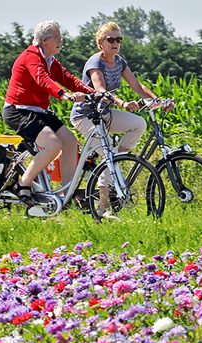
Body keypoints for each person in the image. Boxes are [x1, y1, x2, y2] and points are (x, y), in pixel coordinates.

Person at [70, 21, 165, 219]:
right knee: (108, 156)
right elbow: (100, 88)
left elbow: (137, 86)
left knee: (139, 124)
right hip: (86, 116)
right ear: (100, 43)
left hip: (104, 114)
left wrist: (158, 101)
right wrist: (122, 103)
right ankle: (103, 208)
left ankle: (119, 158)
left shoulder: (120, 62)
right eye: (111, 39)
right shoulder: (95, 63)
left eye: (118, 39)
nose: (115, 43)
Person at [2, 20, 94, 204]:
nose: (61, 41)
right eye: (57, 38)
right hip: (18, 110)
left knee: (69, 141)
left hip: (38, 111)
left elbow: (68, 79)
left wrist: (94, 93)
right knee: (53, 144)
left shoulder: (50, 60)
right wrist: (64, 95)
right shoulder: (31, 56)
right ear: (44, 40)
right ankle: (24, 183)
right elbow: (42, 79)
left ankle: (66, 194)